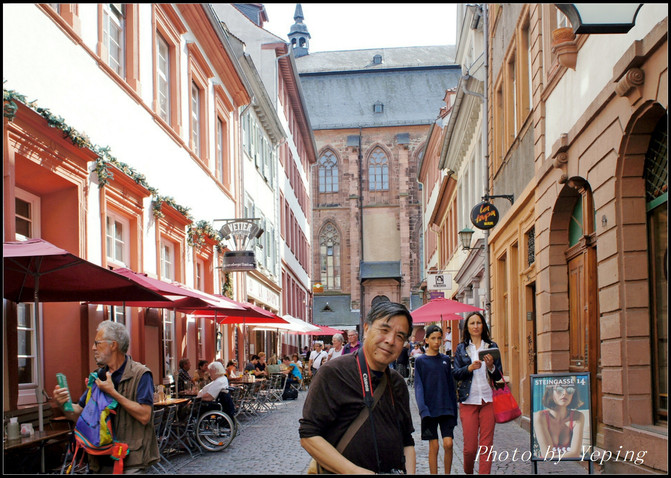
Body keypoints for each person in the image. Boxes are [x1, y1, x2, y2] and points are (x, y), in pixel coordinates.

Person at [299, 301, 416, 474]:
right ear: (367, 329)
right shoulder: (333, 373)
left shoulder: (397, 382)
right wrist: (354, 472)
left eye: (400, 336)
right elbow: (308, 436)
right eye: (384, 330)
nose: (391, 340)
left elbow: (407, 441)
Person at [53, 321, 159, 473]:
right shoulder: (98, 376)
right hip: (99, 461)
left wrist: (113, 393)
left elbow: (144, 416)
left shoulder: (140, 374)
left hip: (130, 461)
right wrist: (63, 405)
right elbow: (81, 414)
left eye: (97, 343)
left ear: (113, 345)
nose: (93, 348)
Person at [453, 312, 504, 474]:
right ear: (467, 327)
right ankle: (468, 471)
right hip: (468, 400)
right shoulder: (461, 349)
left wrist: (491, 367)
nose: (476, 326)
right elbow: (455, 373)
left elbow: (499, 376)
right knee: (469, 448)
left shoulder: (491, 346)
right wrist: (469, 368)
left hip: (488, 400)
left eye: (479, 323)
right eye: (472, 323)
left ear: (483, 326)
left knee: (486, 446)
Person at [414, 324, 458, 474]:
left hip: (446, 408)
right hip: (429, 409)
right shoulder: (420, 361)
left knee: (448, 444)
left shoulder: (446, 360)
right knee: (434, 446)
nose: (437, 342)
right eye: (433, 338)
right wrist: (423, 409)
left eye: (439, 338)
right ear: (426, 340)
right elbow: (418, 387)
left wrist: (454, 410)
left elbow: (451, 387)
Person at [533, 382, 585, 458]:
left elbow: (575, 453)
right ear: (551, 392)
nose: (564, 393)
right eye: (559, 389)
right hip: (545, 466)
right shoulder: (540, 416)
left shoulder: (577, 416)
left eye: (570, 390)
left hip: (570, 465)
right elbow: (547, 455)